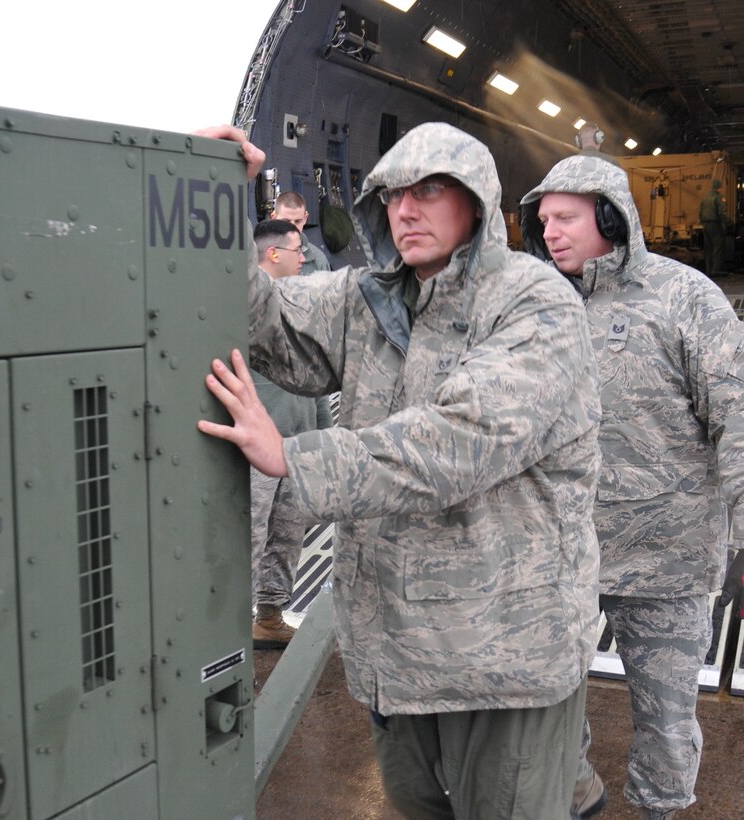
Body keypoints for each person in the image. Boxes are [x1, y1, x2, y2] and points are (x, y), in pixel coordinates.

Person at [196, 121, 603, 819]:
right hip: (397, 655)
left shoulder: (533, 303)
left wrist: (294, 457)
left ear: (474, 202)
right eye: (391, 195)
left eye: (430, 190)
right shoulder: (367, 299)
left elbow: (460, 440)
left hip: (501, 659)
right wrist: (214, 200)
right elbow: (261, 323)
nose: (406, 210)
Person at [520, 155, 744, 820]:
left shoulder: (683, 298)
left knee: (666, 717)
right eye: (543, 220)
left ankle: (660, 811)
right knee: (538, 703)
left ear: (610, 217)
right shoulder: (536, 304)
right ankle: (572, 791)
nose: (549, 231)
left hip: (665, 563)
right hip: (560, 554)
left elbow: (736, 417)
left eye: (565, 217)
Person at [249, 218, 334, 648]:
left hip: (296, 448)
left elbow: (317, 375)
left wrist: (322, 436)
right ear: (274, 254)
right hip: (255, 452)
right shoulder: (242, 307)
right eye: (297, 251)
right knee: (249, 538)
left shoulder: (300, 303)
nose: (305, 258)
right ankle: (227, 634)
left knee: (286, 537)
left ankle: (268, 617)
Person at [272, 190, 332, 275]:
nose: (292, 228)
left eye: (298, 221)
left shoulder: (318, 259)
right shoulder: (257, 255)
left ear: (305, 219)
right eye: (286, 221)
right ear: (274, 218)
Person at [699, 178, 731, 277]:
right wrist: (728, 223)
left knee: (708, 248)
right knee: (718, 246)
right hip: (715, 224)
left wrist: (702, 222)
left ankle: (708, 270)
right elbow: (722, 212)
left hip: (705, 224)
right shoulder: (718, 197)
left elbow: (700, 212)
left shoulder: (705, 197)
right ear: (719, 188)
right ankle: (716, 269)